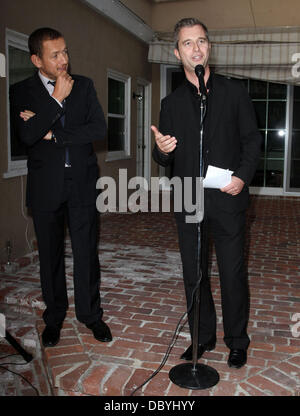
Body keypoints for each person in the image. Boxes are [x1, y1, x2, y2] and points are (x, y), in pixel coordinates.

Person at [151, 18, 261, 369]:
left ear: (209, 47)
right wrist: (163, 150)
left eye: (201, 41)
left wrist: (242, 177)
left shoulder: (234, 93)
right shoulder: (171, 103)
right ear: (176, 52)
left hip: (228, 196)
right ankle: (203, 336)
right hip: (188, 197)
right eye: (187, 43)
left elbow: (252, 141)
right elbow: (161, 155)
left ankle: (237, 340)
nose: (195, 48)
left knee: (231, 271)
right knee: (193, 272)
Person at [10, 27, 112, 347]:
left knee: (86, 254)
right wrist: (56, 101)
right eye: (55, 55)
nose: (63, 59)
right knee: (50, 256)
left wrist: (53, 134)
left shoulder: (83, 86)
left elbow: (97, 128)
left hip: (81, 182)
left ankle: (91, 315)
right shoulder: (22, 91)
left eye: (65, 52)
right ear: (36, 59)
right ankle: (54, 318)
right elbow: (27, 136)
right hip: (46, 186)